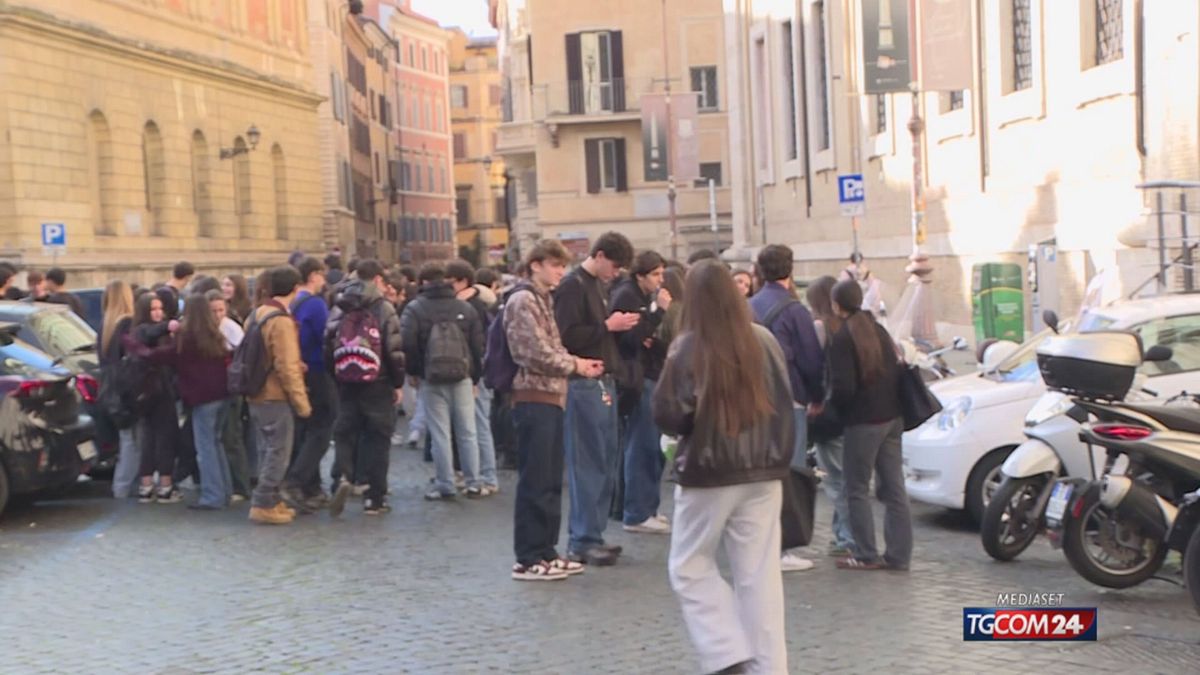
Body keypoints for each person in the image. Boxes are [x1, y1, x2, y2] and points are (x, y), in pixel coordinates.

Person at [654, 260, 794, 675]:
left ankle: (726, 651)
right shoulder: (763, 340)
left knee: (689, 564)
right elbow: (786, 403)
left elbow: (669, 413)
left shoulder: (689, 345)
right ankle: (769, 668)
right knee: (760, 577)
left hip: (710, 469)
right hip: (764, 470)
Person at [506, 239, 604, 580]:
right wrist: (575, 365)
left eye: (562, 266)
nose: (560, 271)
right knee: (535, 479)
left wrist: (574, 364)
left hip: (551, 396)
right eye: (554, 265)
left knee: (549, 480)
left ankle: (546, 551)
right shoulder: (522, 300)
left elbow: (551, 347)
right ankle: (529, 556)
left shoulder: (543, 298)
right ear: (536, 265)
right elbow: (532, 351)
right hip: (532, 396)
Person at [554, 231, 637, 567]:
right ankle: (582, 539)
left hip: (604, 381)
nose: (615, 273)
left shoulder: (599, 286)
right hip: (582, 383)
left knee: (604, 458)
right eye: (614, 266)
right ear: (600, 255)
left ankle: (594, 533)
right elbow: (567, 335)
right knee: (587, 461)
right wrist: (608, 325)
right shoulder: (573, 286)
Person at [748, 244, 825, 573]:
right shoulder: (795, 310)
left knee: (763, 472)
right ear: (789, 270)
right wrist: (817, 396)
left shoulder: (749, 305)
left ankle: (759, 541)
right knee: (789, 474)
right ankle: (781, 547)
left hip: (757, 399)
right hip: (790, 399)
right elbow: (811, 358)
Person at [829, 279, 911, 571]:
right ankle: (899, 555)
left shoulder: (842, 338)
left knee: (857, 488)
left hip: (863, 422)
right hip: (892, 418)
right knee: (894, 488)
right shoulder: (878, 330)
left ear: (836, 306)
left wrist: (833, 410)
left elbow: (843, 388)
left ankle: (865, 553)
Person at [127, 295, 234, 510]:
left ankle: (213, 496)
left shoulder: (188, 338)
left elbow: (156, 356)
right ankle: (224, 492)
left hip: (202, 397)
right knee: (216, 443)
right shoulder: (214, 334)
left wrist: (131, 343)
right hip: (223, 394)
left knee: (206, 448)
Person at [326, 259, 405, 516]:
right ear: (379, 280)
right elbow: (394, 350)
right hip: (378, 382)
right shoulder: (384, 308)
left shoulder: (341, 304)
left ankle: (343, 477)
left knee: (345, 432)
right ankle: (375, 498)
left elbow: (328, 343)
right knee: (378, 438)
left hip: (346, 380)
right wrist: (397, 383)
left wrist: (336, 375)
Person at [402, 262, 487, 500]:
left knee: (440, 433)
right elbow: (477, 345)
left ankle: (445, 483)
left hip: (431, 376)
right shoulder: (464, 307)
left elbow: (408, 343)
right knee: (467, 431)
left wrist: (416, 373)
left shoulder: (415, 308)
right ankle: (473, 482)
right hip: (462, 376)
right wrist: (475, 376)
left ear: (423, 283)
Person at [610, 250, 672, 535]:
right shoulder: (627, 296)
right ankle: (636, 511)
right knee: (642, 444)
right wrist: (657, 312)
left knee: (649, 444)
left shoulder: (637, 295)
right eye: (656, 275)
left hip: (647, 373)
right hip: (637, 377)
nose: (660, 281)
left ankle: (645, 507)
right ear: (641, 275)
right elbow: (633, 338)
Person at [247, 266, 312, 525]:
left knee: (267, 449)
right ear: (295, 289)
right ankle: (263, 502)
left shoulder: (257, 314)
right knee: (278, 451)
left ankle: (272, 500)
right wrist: (302, 403)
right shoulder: (281, 320)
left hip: (256, 393)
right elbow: (286, 367)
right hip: (274, 394)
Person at [805, 276, 855, 557]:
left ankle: (848, 537)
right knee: (844, 475)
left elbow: (813, 368)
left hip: (827, 412)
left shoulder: (820, 328)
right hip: (850, 413)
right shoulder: (850, 326)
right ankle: (841, 534)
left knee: (836, 480)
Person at [282, 257, 336, 513]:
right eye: (322, 276)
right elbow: (325, 339)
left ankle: (311, 488)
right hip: (315, 370)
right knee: (323, 428)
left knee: (304, 429)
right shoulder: (315, 305)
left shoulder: (291, 303)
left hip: (296, 372)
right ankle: (296, 480)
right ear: (314, 275)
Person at [446, 259, 500, 496]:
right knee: (473, 425)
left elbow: (478, 344)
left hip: (478, 371)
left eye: (451, 282)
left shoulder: (472, 306)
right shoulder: (481, 303)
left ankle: (488, 476)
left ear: (462, 281)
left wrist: (477, 376)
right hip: (477, 369)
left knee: (478, 424)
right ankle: (478, 475)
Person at [128, 292, 181, 503]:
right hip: (156, 390)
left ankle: (148, 484)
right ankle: (162, 484)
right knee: (162, 436)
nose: (158, 313)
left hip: (150, 391)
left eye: (160, 308)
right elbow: (149, 332)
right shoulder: (143, 331)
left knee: (151, 437)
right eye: (153, 309)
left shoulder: (142, 332)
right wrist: (169, 326)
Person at [208, 289, 250, 501]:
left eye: (220, 310)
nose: (217, 315)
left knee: (232, 436)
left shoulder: (231, 329)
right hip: (215, 389)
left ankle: (240, 486)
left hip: (231, 388)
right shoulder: (206, 329)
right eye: (213, 311)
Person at [100, 280, 139, 499]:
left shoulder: (106, 327)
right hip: (127, 391)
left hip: (111, 392)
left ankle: (121, 486)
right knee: (134, 441)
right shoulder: (128, 324)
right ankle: (123, 487)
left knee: (127, 440)